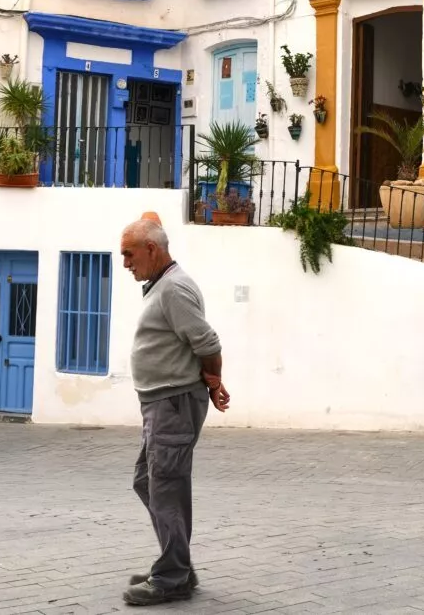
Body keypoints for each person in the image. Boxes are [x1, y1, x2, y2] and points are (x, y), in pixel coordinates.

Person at [119, 219, 230, 606]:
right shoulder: (163, 285)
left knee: (165, 485)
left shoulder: (174, 288)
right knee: (149, 481)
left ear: (152, 249)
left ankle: (172, 576)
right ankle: (176, 563)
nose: (125, 263)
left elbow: (207, 341)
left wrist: (214, 382)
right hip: (163, 403)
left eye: (129, 254)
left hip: (173, 403)